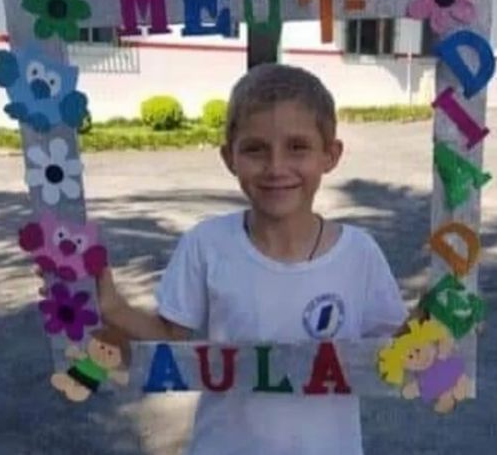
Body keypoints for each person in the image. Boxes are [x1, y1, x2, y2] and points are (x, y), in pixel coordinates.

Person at [96, 63, 408, 454]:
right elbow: (170, 341)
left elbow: (395, 355)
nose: (276, 168)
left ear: (330, 155)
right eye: (255, 149)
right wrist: (112, 307)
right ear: (230, 157)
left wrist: (442, 314)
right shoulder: (206, 245)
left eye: (297, 147)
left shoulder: (359, 254)